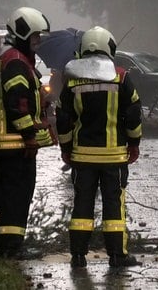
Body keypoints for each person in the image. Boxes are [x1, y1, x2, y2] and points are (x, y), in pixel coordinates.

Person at [56, 26, 143, 268]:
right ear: (109, 48)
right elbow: (134, 113)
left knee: (82, 203)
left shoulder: (72, 79)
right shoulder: (121, 76)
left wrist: (66, 148)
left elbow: (63, 118)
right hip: (114, 156)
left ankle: (78, 256)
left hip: (82, 156)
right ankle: (117, 255)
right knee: (114, 204)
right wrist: (134, 143)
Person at [0, 7, 56, 259]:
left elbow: (22, 98)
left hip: (12, 143)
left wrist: (42, 101)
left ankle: (10, 245)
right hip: (15, 143)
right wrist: (29, 134)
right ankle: (11, 248)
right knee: (17, 195)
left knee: (15, 194)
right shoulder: (16, 62)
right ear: (23, 34)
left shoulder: (15, 59)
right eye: (35, 37)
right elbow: (17, 104)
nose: (38, 42)